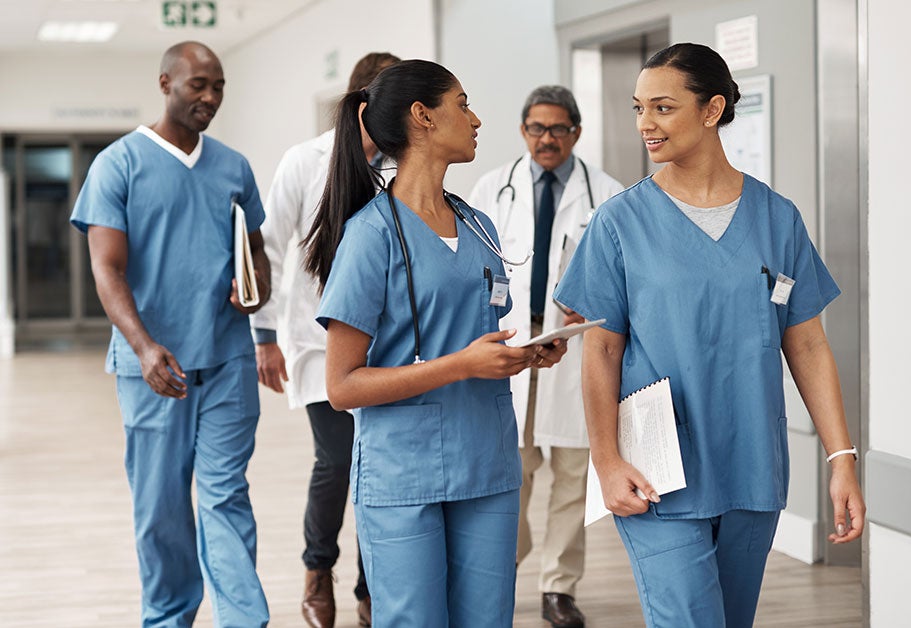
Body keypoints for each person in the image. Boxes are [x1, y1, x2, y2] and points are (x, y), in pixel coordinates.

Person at [554, 42, 866, 628]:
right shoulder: (621, 222)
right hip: (656, 472)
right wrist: (605, 459)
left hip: (751, 464)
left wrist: (841, 457)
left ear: (712, 109)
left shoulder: (777, 218)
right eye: (638, 107)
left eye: (664, 107)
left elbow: (807, 344)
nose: (646, 123)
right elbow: (600, 349)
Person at [303, 59, 568, 626]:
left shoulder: (479, 227)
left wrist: (522, 355)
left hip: (488, 467)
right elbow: (342, 387)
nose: (476, 119)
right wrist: (461, 364)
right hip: (405, 475)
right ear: (423, 117)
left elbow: (477, 341)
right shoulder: (370, 236)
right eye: (462, 103)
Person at [70, 41, 272, 627]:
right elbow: (106, 268)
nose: (209, 97)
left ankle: (243, 621)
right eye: (197, 85)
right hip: (153, 368)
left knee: (225, 498)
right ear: (165, 84)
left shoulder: (234, 167)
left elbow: (256, 256)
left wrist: (255, 288)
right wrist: (142, 345)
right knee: (161, 512)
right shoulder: (118, 164)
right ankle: (167, 618)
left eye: (218, 87)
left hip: (228, 359)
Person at [249, 51, 399, 628]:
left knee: (379, 466)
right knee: (337, 461)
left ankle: (371, 584)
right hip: (317, 342)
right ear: (361, 105)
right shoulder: (304, 160)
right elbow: (265, 245)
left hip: (388, 344)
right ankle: (318, 570)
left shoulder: (403, 162)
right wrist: (264, 333)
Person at [469, 85, 622, 628]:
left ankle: (558, 587)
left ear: (576, 132)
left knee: (572, 473)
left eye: (558, 128)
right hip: (513, 343)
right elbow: (473, 267)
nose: (546, 138)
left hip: (575, 347)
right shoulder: (493, 188)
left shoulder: (606, 193)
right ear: (523, 131)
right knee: (514, 467)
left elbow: (619, 276)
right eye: (536, 128)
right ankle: (505, 562)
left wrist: (593, 308)